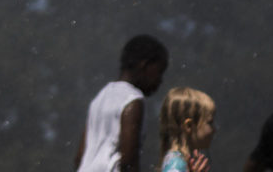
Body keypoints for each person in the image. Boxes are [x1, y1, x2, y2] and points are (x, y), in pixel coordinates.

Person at [73, 34, 169, 172]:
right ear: (145, 65)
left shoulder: (100, 98)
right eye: (159, 72)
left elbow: (79, 157)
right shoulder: (132, 100)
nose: (160, 80)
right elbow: (128, 161)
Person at [159, 87, 216, 172]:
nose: (214, 130)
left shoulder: (181, 160)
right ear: (189, 126)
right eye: (210, 123)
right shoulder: (177, 163)